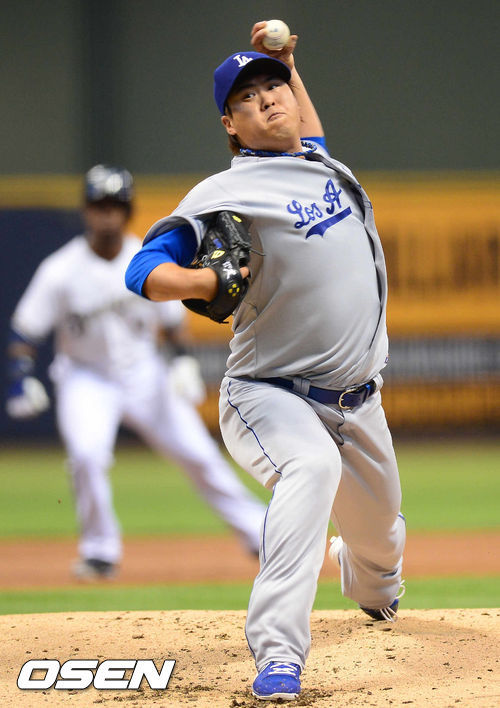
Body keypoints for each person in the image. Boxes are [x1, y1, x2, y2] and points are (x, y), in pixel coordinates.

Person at [125, 20, 406, 703]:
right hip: (271, 393)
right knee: (310, 469)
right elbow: (142, 270)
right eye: (248, 97)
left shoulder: (320, 162)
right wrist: (204, 281)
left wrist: (288, 64)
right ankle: (279, 653)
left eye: (274, 88)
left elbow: (305, 125)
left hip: (359, 401)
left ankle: (368, 580)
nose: (269, 99)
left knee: (381, 554)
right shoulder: (226, 191)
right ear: (231, 125)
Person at [5, 164, 266, 581]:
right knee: (87, 456)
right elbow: (25, 331)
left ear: (128, 211)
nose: (107, 214)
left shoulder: (145, 259)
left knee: (199, 454)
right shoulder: (61, 269)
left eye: (115, 205)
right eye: (99, 205)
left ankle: (260, 533)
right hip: (86, 377)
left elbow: (174, 324)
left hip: (144, 374)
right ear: (86, 210)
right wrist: (21, 375)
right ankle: (99, 551)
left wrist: (181, 361)